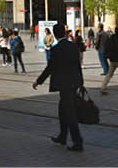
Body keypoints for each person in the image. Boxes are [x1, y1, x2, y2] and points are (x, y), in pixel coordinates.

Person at [32, 23, 84, 152]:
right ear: (65, 33)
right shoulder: (73, 46)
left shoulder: (56, 49)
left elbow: (50, 67)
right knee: (62, 111)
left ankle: (78, 142)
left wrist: (38, 81)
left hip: (64, 84)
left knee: (70, 113)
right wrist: (81, 82)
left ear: (55, 34)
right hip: (74, 83)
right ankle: (62, 136)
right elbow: (78, 65)